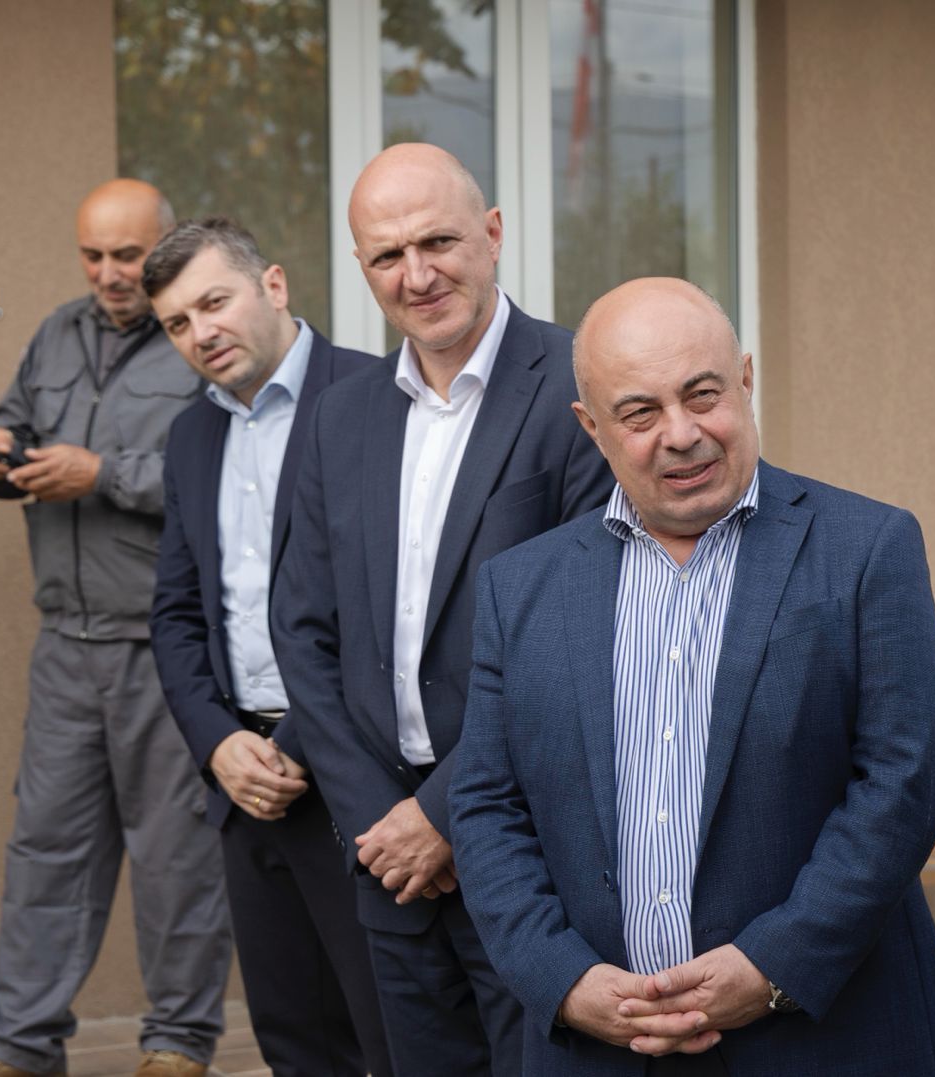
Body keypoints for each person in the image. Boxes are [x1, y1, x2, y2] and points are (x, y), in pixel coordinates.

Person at [447, 276, 935, 1075]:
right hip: (601, 1053)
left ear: (746, 379)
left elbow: (902, 786)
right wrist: (563, 980)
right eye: (640, 413)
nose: (682, 433)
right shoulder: (519, 588)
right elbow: (487, 808)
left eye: (703, 395)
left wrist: (773, 966)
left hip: (833, 1043)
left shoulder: (867, 549)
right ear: (591, 427)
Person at [270, 143, 613, 1076]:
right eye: (388, 255)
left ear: (493, 233)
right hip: (388, 859)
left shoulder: (580, 386)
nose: (416, 275)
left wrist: (446, 813)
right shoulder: (339, 417)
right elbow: (301, 632)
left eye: (438, 242)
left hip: (535, 848)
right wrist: (382, 820)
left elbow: (583, 636)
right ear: (362, 268)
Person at [0, 180, 231, 1077]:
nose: (110, 273)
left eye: (128, 255)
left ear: (165, 245)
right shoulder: (54, 334)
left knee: (176, 857)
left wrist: (103, 474)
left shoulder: (200, 338)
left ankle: (178, 1044)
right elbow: (17, 429)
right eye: (93, 254)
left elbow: (224, 477)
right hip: (65, 645)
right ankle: (19, 1046)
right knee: (45, 851)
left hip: (164, 647)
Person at [143, 217, 393, 1077]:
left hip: (357, 773)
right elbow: (177, 612)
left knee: (393, 1033)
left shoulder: (376, 397)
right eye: (178, 322)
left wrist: (291, 741)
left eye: (214, 301)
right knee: (292, 1037)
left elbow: (387, 606)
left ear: (274, 285)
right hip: (244, 783)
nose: (201, 331)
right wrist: (218, 744)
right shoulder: (191, 435)